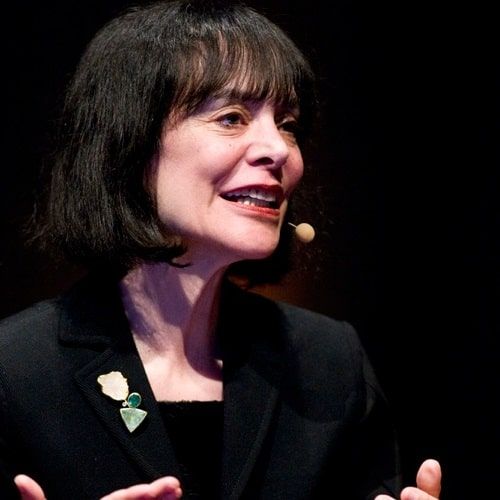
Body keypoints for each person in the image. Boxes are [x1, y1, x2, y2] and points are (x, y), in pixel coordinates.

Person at [0, 0, 442, 498]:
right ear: (130, 145)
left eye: (288, 124)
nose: (278, 150)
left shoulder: (328, 363)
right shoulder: (16, 371)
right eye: (231, 117)